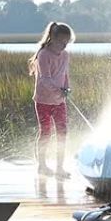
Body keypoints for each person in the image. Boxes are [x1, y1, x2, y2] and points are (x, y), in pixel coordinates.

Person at [28, 21, 75, 178]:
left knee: (63, 132)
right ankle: (42, 166)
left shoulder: (65, 55)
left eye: (66, 42)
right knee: (46, 132)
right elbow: (45, 80)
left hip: (59, 101)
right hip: (43, 101)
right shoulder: (43, 55)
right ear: (52, 38)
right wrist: (58, 89)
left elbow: (65, 74)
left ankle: (60, 168)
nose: (64, 45)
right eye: (61, 42)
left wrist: (66, 88)